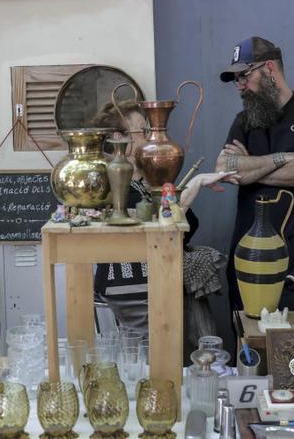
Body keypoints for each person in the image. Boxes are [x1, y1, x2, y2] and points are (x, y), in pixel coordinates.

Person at [89, 101, 239, 339]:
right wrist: (195, 184)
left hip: (156, 280)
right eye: (145, 131)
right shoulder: (112, 184)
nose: (151, 137)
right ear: (120, 139)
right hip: (130, 288)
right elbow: (160, 230)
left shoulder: (147, 181)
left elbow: (183, 230)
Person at [216, 36, 294, 311]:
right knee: (250, 350)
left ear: (269, 69)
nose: (239, 86)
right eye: (235, 80)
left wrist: (251, 169)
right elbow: (223, 168)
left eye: (244, 76)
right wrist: (282, 158)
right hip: (250, 262)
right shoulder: (243, 121)